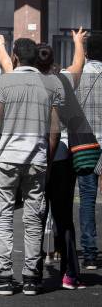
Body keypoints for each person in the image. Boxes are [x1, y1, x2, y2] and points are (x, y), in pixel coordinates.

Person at [0, 30, 88, 290]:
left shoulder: (13, 80)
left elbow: (5, 64)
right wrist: (79, 43)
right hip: (52, 158)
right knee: (55, 218)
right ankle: (53, 275)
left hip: (22, 157)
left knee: (18, 217)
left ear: (22, 59)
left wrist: (0, 45)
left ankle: (16, 274)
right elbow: (77, 67)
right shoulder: (59, 81)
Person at [0, 38, 63, 296]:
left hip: (7, 158)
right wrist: (48, 160)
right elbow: (54, 131)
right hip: (37, 159)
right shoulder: (50, 84)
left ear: (15, 56)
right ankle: (31, 277)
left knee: (3, 215)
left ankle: (4, 276)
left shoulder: (5, 81)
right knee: (33, 219)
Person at [76, 33, 102, 269]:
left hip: (84, 145)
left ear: (85, 52)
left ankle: (90, 253)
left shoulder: (75, 76)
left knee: (87, 198)